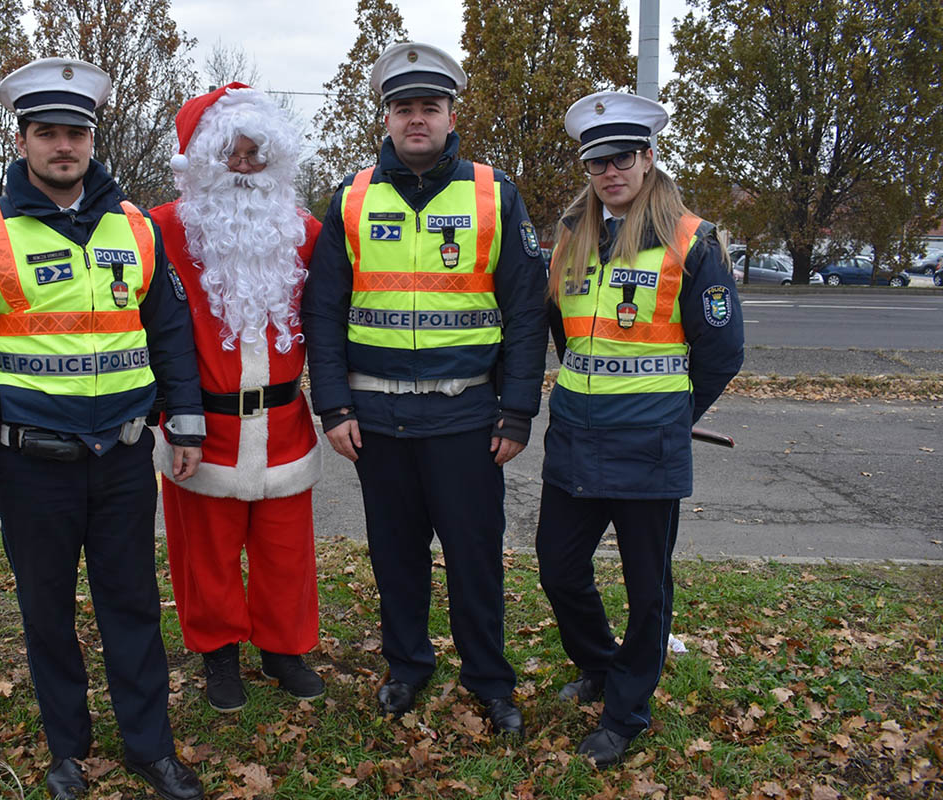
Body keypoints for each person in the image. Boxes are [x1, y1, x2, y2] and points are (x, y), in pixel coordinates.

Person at [0, 57, 206, 800]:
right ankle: (67, 751)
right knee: (46, 611)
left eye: (75, 132)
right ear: (23, 141)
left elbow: (170, 331)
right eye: (47, 132)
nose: (63, 146)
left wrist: (186, 421)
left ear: (91, 139)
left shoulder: (137, 228)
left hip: (119, 456)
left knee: (133, 606)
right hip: (30, 464)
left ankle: (151, 747)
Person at [302, 42, 549, 736]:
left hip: (468, 418)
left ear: (450, 114)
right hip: (376, 421)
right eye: (404, 107)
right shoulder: (350, 199)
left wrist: (520, 411)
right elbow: (321, 311)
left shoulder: (493, 194)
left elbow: (527, 310)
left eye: (429, 107)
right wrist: (334, 404)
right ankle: (406, 667)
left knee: (475, 560)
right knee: (396, 558)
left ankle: (489, 680)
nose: (417, 119)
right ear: (386, 117)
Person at [536, 90, 744, 768]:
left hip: (648, 447)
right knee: (559, 569)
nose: (609, 171)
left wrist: (672, 417)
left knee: (647, 589)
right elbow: (566, 336)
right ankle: (598, 665)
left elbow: (721, 352)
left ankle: (626, 710)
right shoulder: (572, 234)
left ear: (649, 158)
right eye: (596, 161)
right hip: (574, 437)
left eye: (622, 156)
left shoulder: (692, 239)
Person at [148, 83, 325, 712]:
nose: (245, 168)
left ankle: (283, 649)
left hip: (284, 424)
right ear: (202, 162)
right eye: (232, 154)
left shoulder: (304, 231)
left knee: (285, 552)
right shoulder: (162, 231)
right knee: (207, 555)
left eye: (257, 155)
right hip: (203, 429)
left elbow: (328, 324)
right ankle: (219, 655)